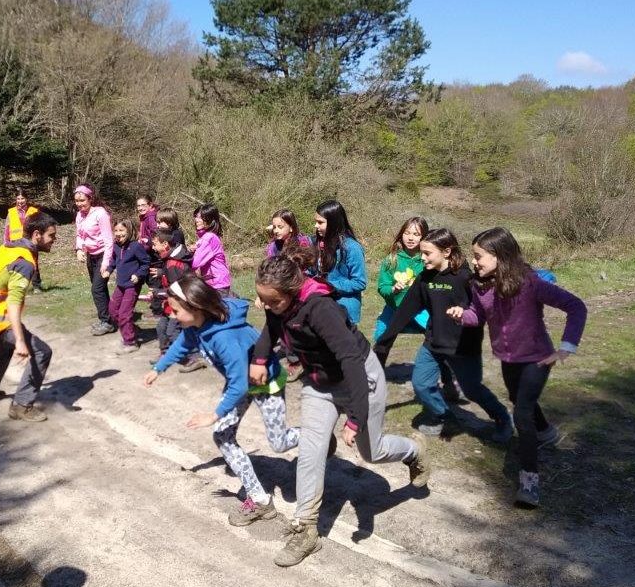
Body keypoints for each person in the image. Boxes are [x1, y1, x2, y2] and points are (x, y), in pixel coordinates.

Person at [251, 255, 429, 567]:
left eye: (272, 300)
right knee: (310, 451)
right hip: (320, 383)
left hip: (359, 378)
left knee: (371, 451)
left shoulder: (321, 309)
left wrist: (356, 417)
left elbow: (351, 361)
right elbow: (273, 325)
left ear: (292, 291)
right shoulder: (280, 306)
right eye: (263, 299)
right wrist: (260, 359)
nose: (265, 306)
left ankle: (414, 451)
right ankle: (306, 530)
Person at [448, 227, 587, 508]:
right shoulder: (479, 285)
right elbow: (478, 316)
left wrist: (567, 347)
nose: (474, 262)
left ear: (499, 256)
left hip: (538, 358)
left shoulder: (530, 283)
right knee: (518, 399)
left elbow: (576, 306)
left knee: (521, 413)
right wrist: (463, 315)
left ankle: (529, 482)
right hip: (508, 358)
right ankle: (546, 432)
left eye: (479, 256)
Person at [145, 274, 299, 526]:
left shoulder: (225, 338)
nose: (171, 315)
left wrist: (214, 414)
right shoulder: (197, 326)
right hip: (240, 383)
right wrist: (158, 368)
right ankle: (260, 500)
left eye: (174, 310)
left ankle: (315, 436)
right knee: (223, 436)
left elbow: (239, 385)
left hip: (265, 384)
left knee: (279, 443)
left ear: (195, 308)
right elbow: (182, 344)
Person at [373, 228, 512, 441]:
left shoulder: (466, 278)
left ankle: (502, 418)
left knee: (473, 389)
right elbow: (404, 311)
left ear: (446, 252)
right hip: (433, 343)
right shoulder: (424, 279)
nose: (422, 257)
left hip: (463, 347)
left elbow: (487, 308)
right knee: (421, 384)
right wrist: (385, 341)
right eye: (422, 252)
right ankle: (444, 415)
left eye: (427, 253)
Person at [0, 212, 58, 422]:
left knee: (7, 345)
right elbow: (13, 304)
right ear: (37, 234)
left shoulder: (11, 246)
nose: (54, 240)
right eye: (51, 235)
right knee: (42, 352)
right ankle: (22, 405)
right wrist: (21, 342)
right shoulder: (24, 262)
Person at [374, 217, 460, 403]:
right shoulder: (391, 260)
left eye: (416, 234)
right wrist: (393, 289)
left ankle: (449, 382)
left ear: (425, 237)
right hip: (395, 308)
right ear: (401, 234)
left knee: (437, 340)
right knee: (382, 336)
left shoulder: (428, 259)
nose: (410, 238)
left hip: (422, 310)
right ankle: (373, 379)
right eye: (407, 233)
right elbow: (382, 287)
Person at [313, 200, 366, 326]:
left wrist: (329, 285)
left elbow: (359, 282)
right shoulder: (317, 243)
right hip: (322, 309)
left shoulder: (352, 248)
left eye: (320, 222)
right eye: (315, 222)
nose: (316, 226)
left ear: (333, 223)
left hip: (344, 313)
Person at [103, 219, 151, 354]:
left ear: (129, 231)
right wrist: (108, 270)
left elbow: (145, 263)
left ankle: (130, 342)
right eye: (116, 230)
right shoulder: (116, 246)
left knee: (125, 313)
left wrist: (138, 274)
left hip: (132, 286)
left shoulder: (136, 246)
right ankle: (131, 329)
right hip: (121, 284)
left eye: (121, 230)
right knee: (112, 310)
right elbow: (113, 261)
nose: (118, 233)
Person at [74, 184, 115, 335]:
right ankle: (109, 319)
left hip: (103, 255)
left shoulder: (100, 214)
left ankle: (106, 321)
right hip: (91, 256)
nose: (79, 204)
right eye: (77, 201)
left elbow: (109, 240)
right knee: (100, 289)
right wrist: (79, 249)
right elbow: (79, 235)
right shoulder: (79, 215)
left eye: (82, 200)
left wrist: (106, 263)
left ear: (90, 198)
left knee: (96, 289)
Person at [148, 229, 192, 361]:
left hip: (180, 305)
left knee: (172, 332)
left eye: (155, 244)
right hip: (170, 304)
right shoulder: (170, 260)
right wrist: (162, 272)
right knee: (161, 327)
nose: (153, 247)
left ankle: (192, 357)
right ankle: (166, 354)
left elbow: (176, 289)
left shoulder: (173, 263)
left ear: (165, 244)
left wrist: (157, 293)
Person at [4, 190, 44, 291]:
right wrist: (6, 241)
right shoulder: (11, 212)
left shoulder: (33, 211)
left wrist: (38, 240)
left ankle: (36, 286)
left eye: (22, 198)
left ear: (26, 199)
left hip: (30, 242)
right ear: (15, 200)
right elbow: (7, 228)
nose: (20, 201)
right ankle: (16, 286)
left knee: (33, 263)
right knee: (15, 264)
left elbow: (39, 227)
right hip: (15, 242)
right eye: (18, 199)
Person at [191, 203, 233, 296]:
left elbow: (195, 263)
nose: (196, 220)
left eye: (200, 217)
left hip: (217, 284)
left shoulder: (208, 238)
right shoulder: (209, 237)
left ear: (210, 220)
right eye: (196, 217)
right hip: (217, 282)